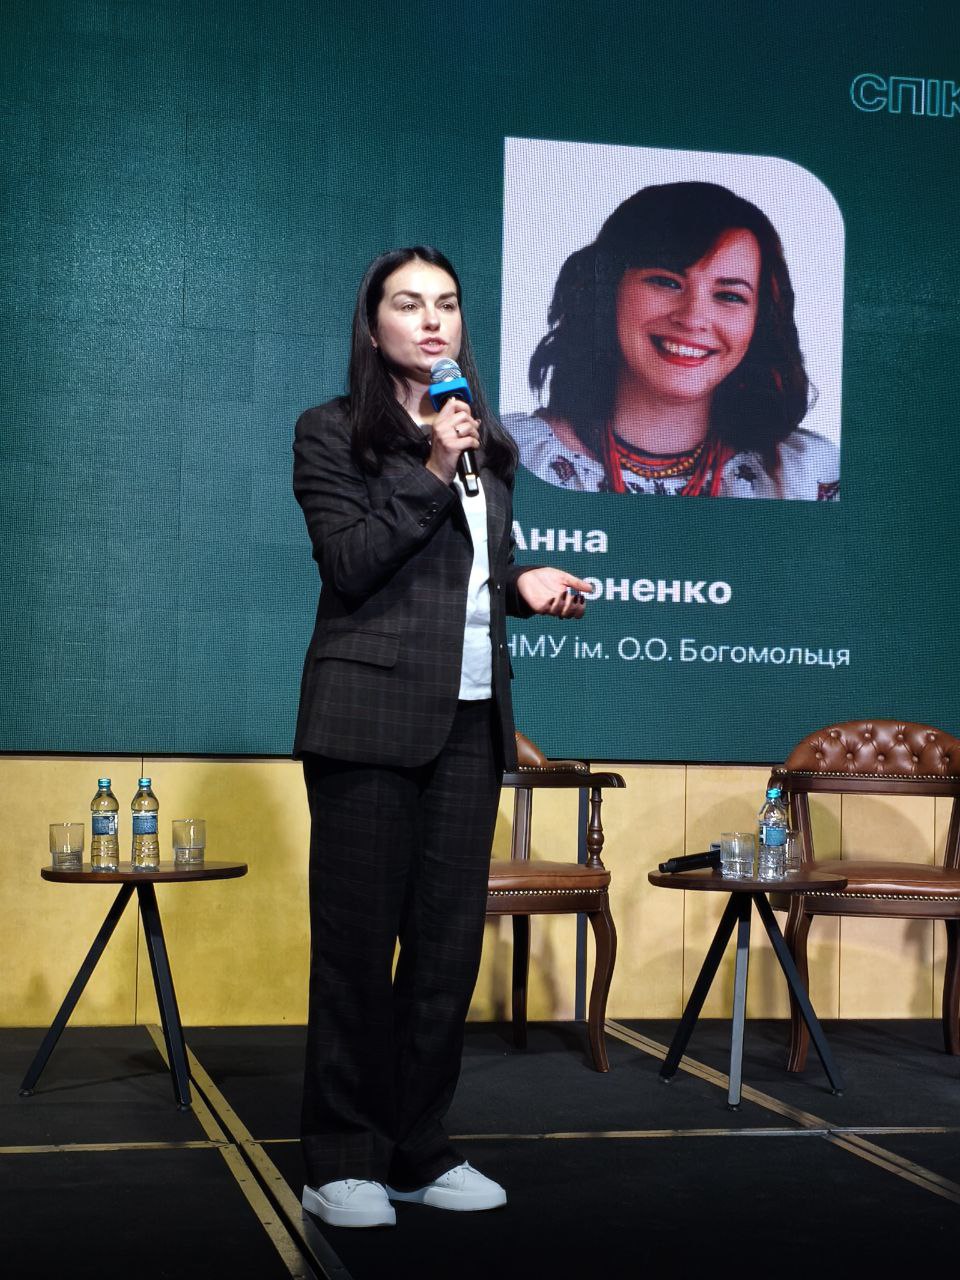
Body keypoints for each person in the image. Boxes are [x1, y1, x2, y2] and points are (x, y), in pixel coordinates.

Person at [292, 246, 589, 1229]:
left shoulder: (488, 445)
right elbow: (351, 562)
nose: (432, 320)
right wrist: (427, 464)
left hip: (469, 720)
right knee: (355, 950)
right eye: (409, 303)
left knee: (444, 952)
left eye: (447, 304)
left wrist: (524, 584)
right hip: (367, 719)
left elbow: (474, 571)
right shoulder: (333, 432)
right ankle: (339, 1159)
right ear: (373, 323)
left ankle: (418, 1149)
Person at [504, 181, 840, 499]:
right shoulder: (512, 457)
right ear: (606, 291)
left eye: (729, 296)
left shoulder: (808, 474)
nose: (692, 318)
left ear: (760, 322)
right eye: (666, 282)